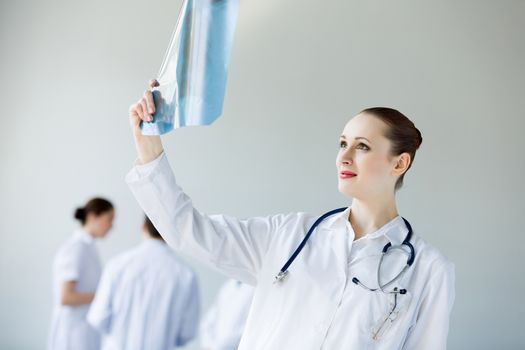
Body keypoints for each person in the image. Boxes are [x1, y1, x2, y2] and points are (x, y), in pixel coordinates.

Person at [125, 80, 455, 349]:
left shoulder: (428, 270)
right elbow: (190, 232)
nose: (344, 156)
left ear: (400, 163)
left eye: (363, 146)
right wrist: (148, 149)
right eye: (342, 144)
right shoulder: (288, 235)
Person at [87, 215, 200, 350]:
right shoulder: (186, 274)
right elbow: (187, 333)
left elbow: (98, 318)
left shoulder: (117, 265)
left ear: (143, 227)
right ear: (172, 232)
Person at [48, 197, 115, 350]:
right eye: (109, 219)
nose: (112, 226)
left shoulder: (87, 248)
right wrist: (105, 295)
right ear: (93, 217)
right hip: (71, 335)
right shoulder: (75, 248)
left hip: (83, 331)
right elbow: (66, 297)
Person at [200, 280, 254, 350]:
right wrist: (209, 345)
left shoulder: (254, 288)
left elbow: (250, 326)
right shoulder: (227, 287)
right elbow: (208, 322)